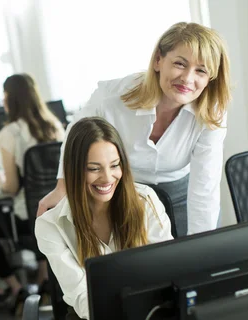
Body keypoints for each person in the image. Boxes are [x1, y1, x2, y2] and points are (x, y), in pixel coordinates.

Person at [37, 22, 232, 236]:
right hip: (124, 191)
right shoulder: (113, 96)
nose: (187, 78)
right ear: (158, 60)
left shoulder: (212, 111)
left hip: (181, 193)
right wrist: (63, 187)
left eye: (201, 71)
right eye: (180, 64)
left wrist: (203, 245)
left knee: (193, 257)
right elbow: (77, 135)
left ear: (210, 78)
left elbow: (205, 186)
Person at [35, 117, 173, 320]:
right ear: (73, 170)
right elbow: (81, 295)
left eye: (114, 165)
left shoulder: (145, 201)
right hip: (92, 319)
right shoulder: (51, 225)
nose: (108, 178)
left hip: (150, 311)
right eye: (94, 168)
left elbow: (166, 267)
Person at [0, 73, 65, 312]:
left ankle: (15, 287)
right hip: (60, 212)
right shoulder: (55, 127)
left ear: (8, 99)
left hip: (28, 220)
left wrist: (0, 181)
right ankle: (44, 280)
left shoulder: (9, 134)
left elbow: (12, 187)